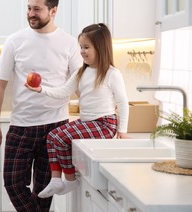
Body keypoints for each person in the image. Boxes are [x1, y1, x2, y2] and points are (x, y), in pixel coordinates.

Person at [0, 0, 83, 211]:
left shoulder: (69, 43)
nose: (31, 13)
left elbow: (81, 84)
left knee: (44, 189)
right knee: (12, 183)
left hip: (56, 128)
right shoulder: (14, 40)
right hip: (22, 125)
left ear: (53, 11)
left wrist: (100, 114)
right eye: (29, 8)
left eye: (37, 9)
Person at [26, 23, 129, 198]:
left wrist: (123, 130)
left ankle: (70, 179)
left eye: (86, 47)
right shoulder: (81, 72)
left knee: (58, 137)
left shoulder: (112, 74)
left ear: (101, 48)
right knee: (51, 136)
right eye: (81, 47)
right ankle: (57, 180)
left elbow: (123, 102)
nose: (82, 51)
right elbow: (63, 91)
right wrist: (40, 89)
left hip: (104, 124)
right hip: (87, 122)